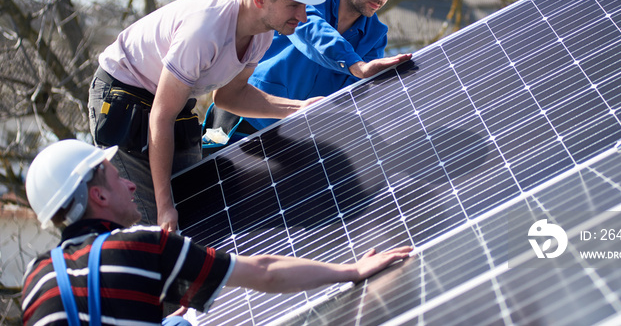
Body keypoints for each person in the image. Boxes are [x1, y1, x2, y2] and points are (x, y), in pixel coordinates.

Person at [21, 139, 413, 325]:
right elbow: (264, 272)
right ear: (98, 195)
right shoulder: (141, 246)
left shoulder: (35, 279)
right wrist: (353, 271)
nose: (132, 185)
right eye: (115, 174)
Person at [88, 0, 326, 232]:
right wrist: (164, 208)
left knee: (195, 212)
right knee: (156, 227)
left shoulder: (261, 33)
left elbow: (229, 96)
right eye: (294, 5)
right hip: (124, 99)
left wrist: (298, 108)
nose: (302, 16)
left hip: (170, 105)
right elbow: (161, 117)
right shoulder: (204, 31)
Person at [203, 0, 414, 142]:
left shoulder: (376, 36)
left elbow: (353, 99)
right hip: (242, 119)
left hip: (294, 141)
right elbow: (309, 29)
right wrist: (356, 65)